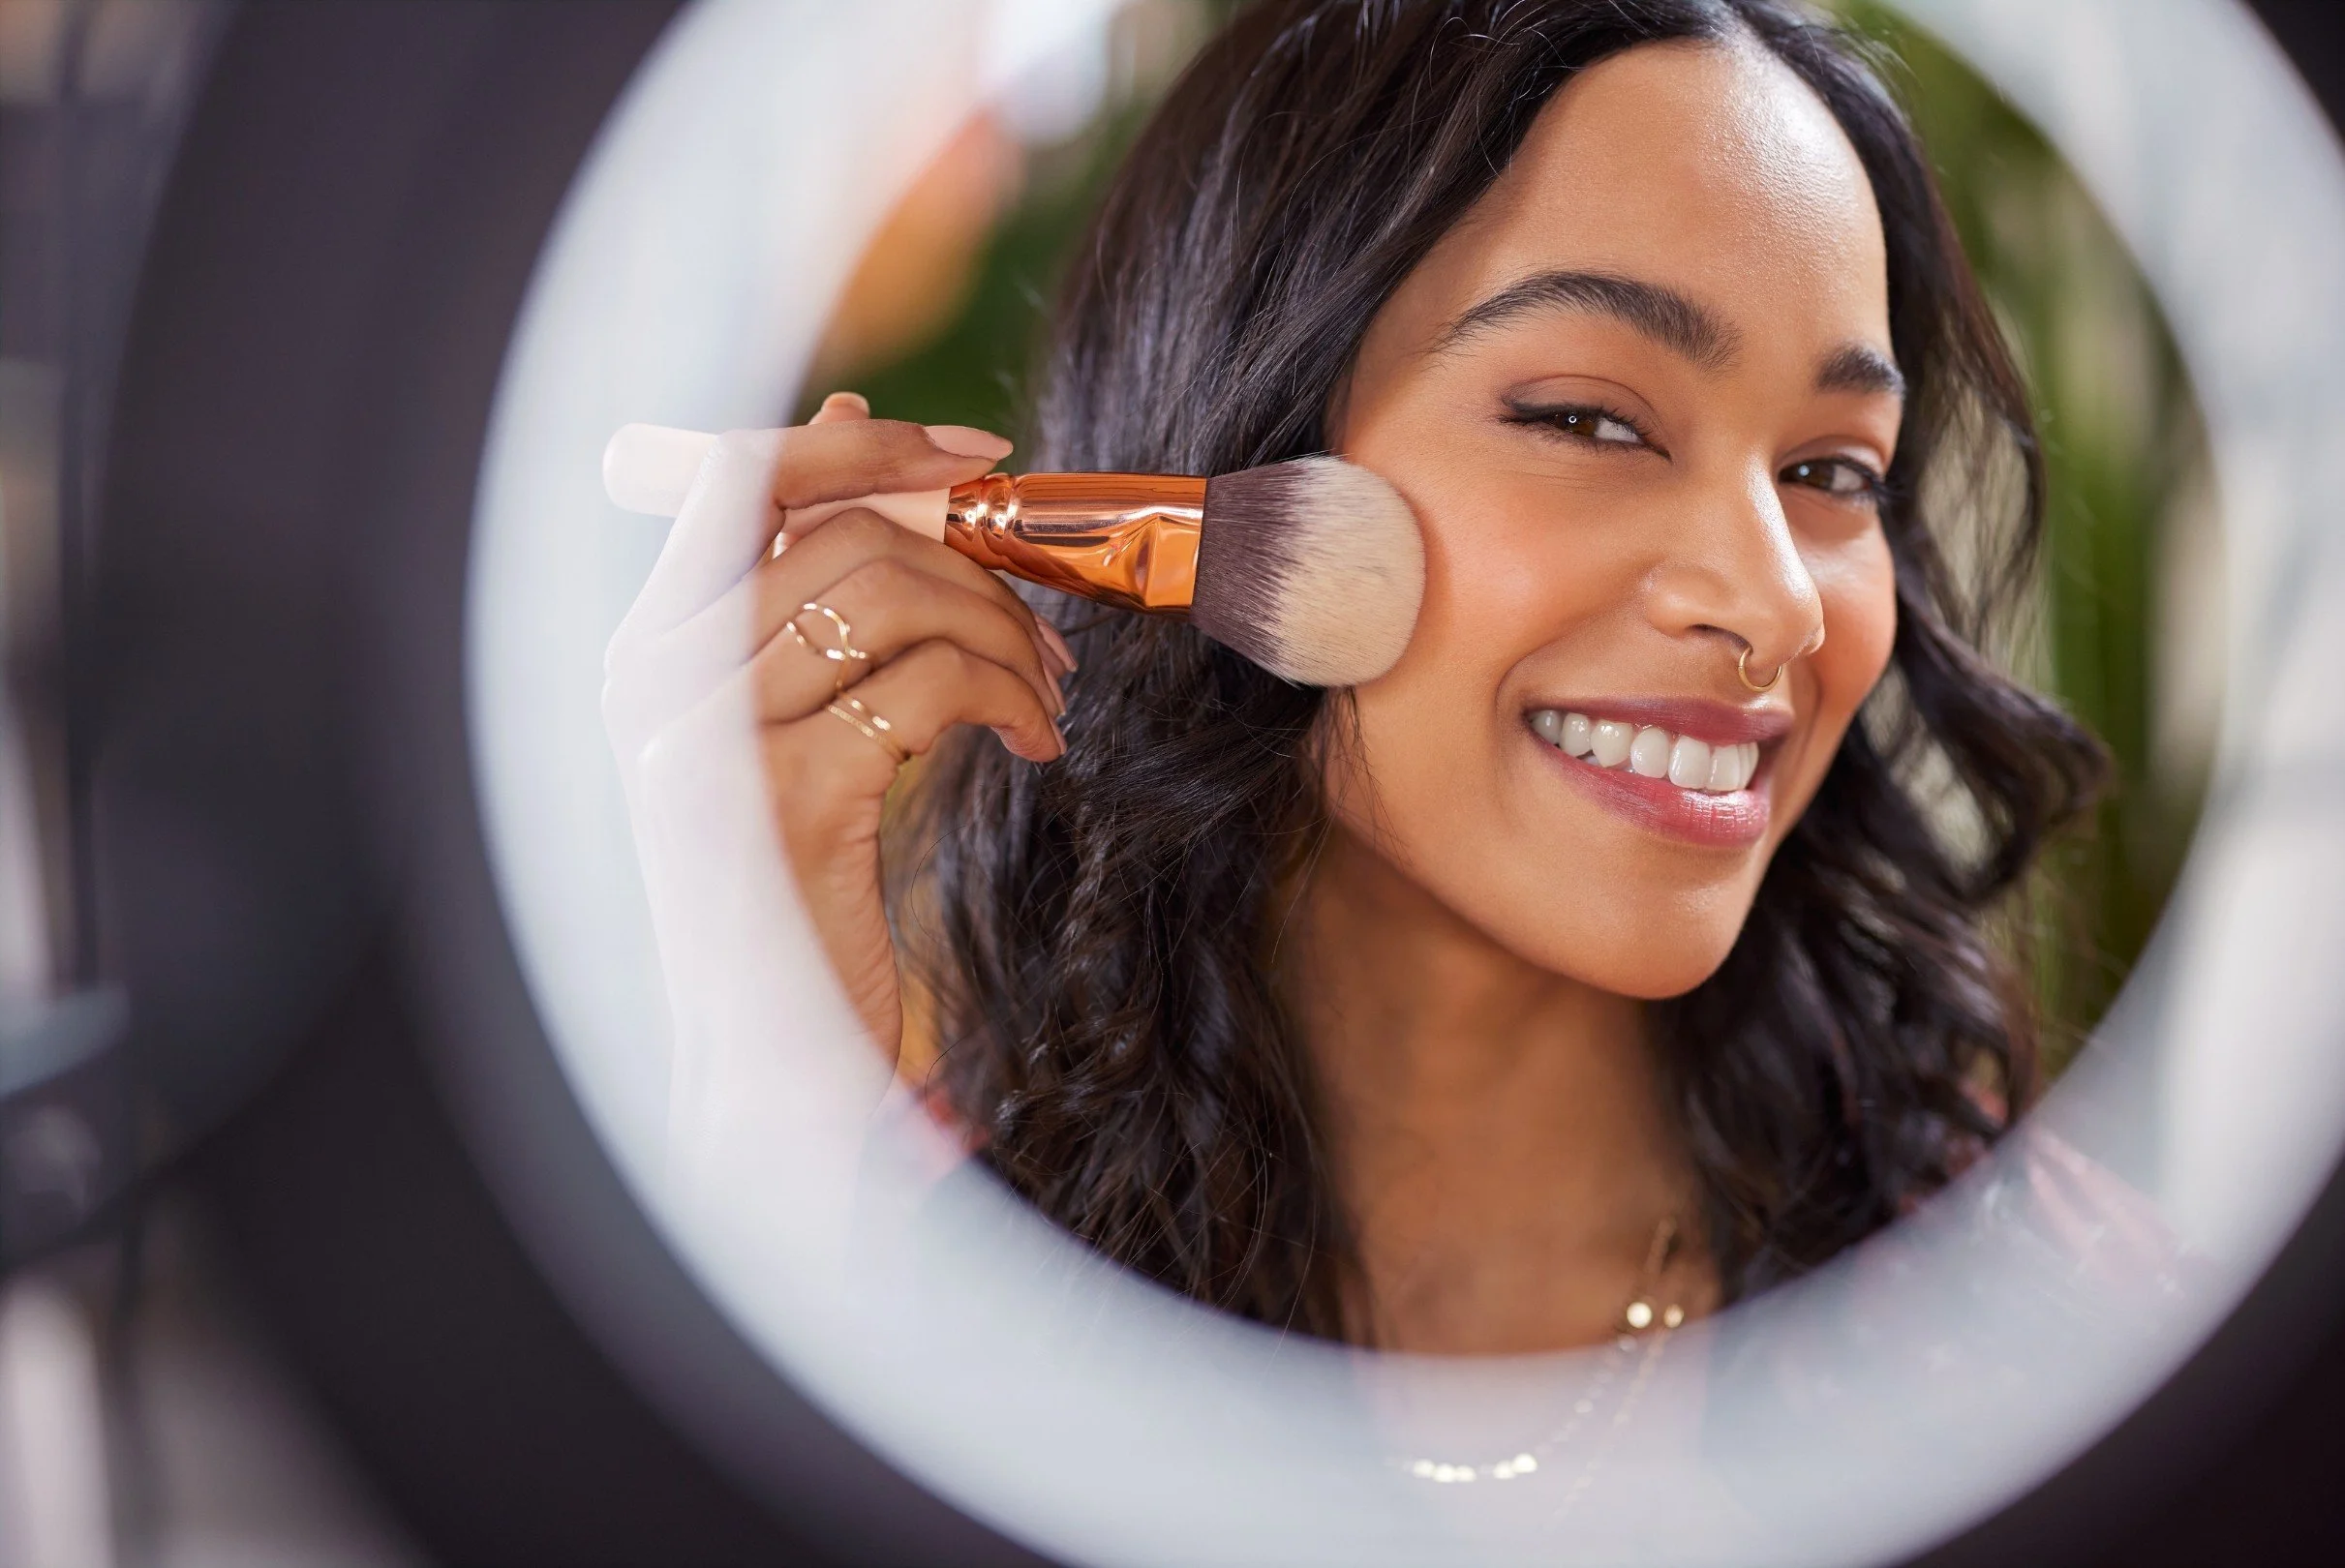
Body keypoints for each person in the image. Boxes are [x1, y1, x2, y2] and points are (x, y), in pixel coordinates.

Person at [605, 0, 2104, 1354]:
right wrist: (764, 1124)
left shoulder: (2031, 1311)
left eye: (1833, 469)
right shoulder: (892, 1283)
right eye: (1589, 421)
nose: (1772, 601)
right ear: (1235, 450)